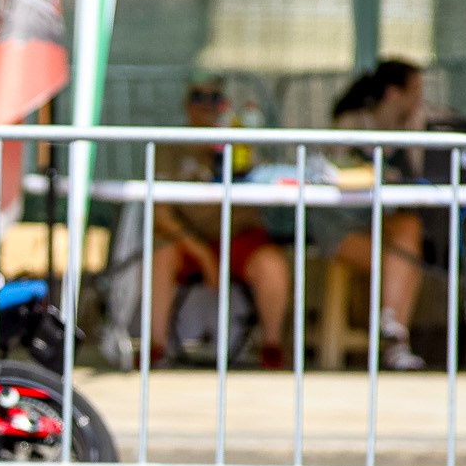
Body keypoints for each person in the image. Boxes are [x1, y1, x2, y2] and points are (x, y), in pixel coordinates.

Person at [149, 76, 292, 369]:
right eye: (199, 98)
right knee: (161, 256)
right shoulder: (170, 145)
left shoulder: (243, 140)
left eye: (215, 99)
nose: (207, 106)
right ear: (186, 104)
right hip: (189, 237)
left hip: (239, 235)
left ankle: (272, 348)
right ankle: (154, 348)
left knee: (272, 265)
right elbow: (161, 214)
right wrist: (202, 254)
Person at [324, 59, 427, 370]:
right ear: (394, 94)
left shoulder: (411, 129)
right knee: (404, 260)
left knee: (409, 231)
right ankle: (394, 341)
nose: (421, 101)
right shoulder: (350, 125)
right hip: (341, 225)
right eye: (416, 93)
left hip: (383, 226)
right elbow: (335, 174)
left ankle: (392, 333)